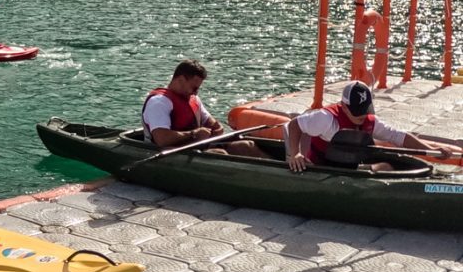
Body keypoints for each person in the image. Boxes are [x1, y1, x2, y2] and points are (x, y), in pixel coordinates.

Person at [284, 80, 457, 172]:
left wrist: (433, 151)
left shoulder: (371, 121)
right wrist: (295, 153)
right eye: (356, 111)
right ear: (343, 106)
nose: (361, 116)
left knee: (386, 167)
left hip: (348, 166)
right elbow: (294, 125)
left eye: (364, 110)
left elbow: (399, 137)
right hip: (319, 166)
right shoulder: (325, 118)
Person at [142, 60, 263, 158]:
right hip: (170, 152)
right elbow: (162, 139)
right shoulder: (159, 102)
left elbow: (212, 124)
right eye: (194, 88)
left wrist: (217, 128)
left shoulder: (193, 99)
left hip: (196, 147)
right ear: (181, 80)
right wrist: (194, 134)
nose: (196, 92)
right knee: (219, 155)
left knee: (247, 145)